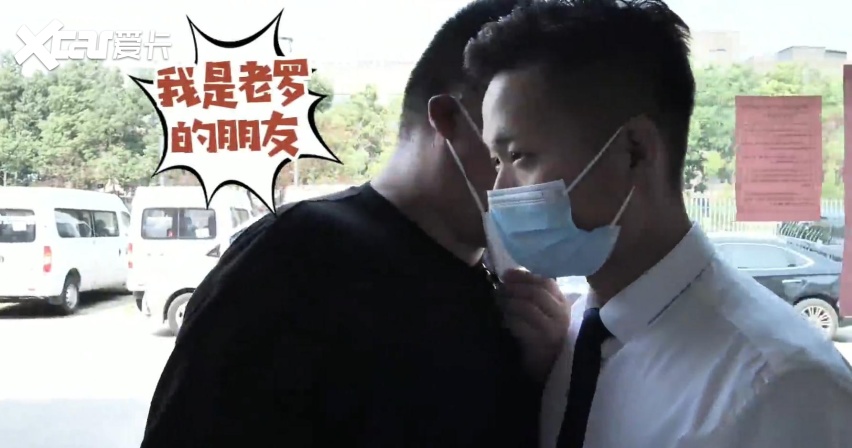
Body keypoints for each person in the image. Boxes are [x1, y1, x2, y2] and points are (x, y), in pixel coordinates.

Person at [139, 1, 570, 447]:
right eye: (525, 152)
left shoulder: (508, 296)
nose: (554, 181)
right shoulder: (294, 259)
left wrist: (550, 376)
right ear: (449, 121)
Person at [464, 0, 852, 447]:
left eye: (519, 156)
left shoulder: (781, 390)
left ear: (635, 150)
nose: (499, 188)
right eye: (496, 161)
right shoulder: (574, 340)